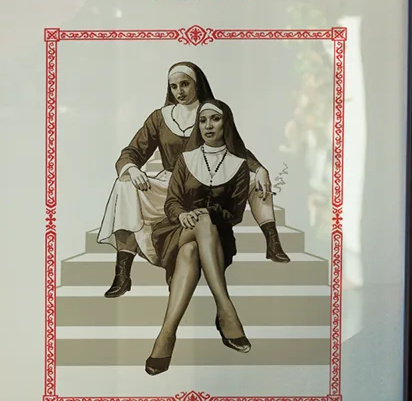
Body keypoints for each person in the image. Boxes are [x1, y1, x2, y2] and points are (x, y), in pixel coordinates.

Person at [98, 62, 287, 297]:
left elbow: (235, 148)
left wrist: (259, 168)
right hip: (171, 186)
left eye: (185, 84)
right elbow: (131, 152)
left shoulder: (209, 112)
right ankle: (122, 273)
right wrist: (132, 168)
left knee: (255, 176)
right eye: (174, 86)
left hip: (207, 185)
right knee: (123, 183)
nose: (180, 91)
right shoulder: (160, 118)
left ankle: (272, 240)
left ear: (197, 85)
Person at [141, 98, 254, 376]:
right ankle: (226, 309)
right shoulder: (186, 159)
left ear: (226, 123)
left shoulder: (239, 165)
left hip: (217, 240)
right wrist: (182, 215)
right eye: (203, 120)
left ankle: (166, 335)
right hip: (175, 231)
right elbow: (171, 203)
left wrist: (206, 212)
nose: (207, 126)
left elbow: (235, 213)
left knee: (190, 253)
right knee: (196, 226)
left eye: (214, 119)